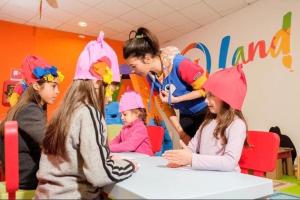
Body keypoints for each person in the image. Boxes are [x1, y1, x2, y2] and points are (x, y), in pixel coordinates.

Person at [35, 32, 137, 199]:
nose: (111, 95)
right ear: (98, 83)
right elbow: (100, 174)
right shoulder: (89, 112)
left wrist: (104, 158)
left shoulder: (63, 111)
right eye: (111, 87)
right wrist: (129, 165)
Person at [123, 27, 208, 144]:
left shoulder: (180, 64)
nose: (132, 71)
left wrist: (178, 99)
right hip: (185, 116)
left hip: (206, 112)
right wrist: (180, 132)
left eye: (133, 66)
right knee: (190, 154)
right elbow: (163, 105)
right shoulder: (150, 76)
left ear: (147, 59)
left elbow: (206, 89)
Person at [163, 64, 248, 172]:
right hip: (207, 179)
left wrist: (191, 159)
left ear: (226, 97)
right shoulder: (207, 122)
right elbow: (192, 148)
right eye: (206, 95)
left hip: (228, 182)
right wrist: (182, 158)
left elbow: (229, 162)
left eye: (211, 95)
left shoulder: (237, 124)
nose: (206, 101)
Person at [0, 55, 63, 189]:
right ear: (36, 86)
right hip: (29, 183)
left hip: (26, 178)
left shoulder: (25, 107)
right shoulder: (29, 109)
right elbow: (52, 143)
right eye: (53, 86)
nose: (57, 91)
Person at [109, 90, 153, 156]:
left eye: (125, 114)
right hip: (132, 157)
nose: (122, 117)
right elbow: (116, 140)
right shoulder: (124, 128)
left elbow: (130, 145)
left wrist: (108, 148)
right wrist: (106, 147)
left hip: (144, 158)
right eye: (121, 115)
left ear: (137, 113)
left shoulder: (140, 128)